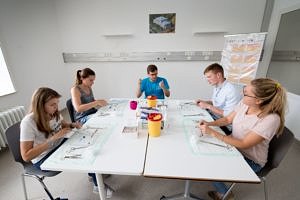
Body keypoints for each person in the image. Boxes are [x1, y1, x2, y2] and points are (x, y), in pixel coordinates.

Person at [199, 78, 287, 200]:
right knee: (202, 154)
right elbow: (227, 119)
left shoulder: (271, 119)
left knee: (209, 165)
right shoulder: (245, 103)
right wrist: (209, 124)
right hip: (234, 147)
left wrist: (213, 133)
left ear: (258, 100)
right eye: (243, 90)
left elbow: (244, 144)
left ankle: (225, 195)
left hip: (251, 160)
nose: (241, 94)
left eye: (246, 93)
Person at [20, 87, 81, 170]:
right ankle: (96, 179)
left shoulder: (53, 112)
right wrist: (54, 138)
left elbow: (63, 125)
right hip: (44, 157)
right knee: (81, 157)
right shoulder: (28, 122)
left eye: (57, 103)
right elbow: (26, 156)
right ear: (40, 106)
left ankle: (95, 176)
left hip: (59, 144)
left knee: (85, 145)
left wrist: (71, 125)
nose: (56, 107)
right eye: (52, 104)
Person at [196, 63, 241, 134]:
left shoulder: (231, 90)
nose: (207, 80)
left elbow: (228, 116)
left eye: (209, 77)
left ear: (218, 75)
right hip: (213, 116)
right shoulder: (217, 86)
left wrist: (208, 106)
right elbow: (216, 103)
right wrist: (205, 102)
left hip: (224, 126)